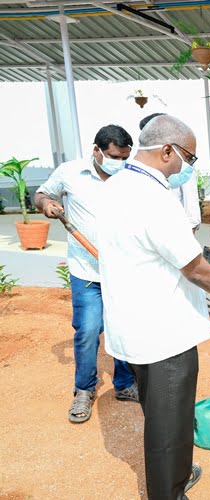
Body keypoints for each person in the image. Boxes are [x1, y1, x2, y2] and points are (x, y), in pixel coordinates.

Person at [97, 115, 210, 497]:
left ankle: (177, 473)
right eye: (188, 158)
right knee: (169, 426)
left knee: (162, 415)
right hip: (164, 334)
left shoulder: (116, 186)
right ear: (166, 151)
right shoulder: (153, 198)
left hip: (134, 325)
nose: (188, 168)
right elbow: (198, 270)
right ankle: (169, 491)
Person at [35, 125, 139, 424]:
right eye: (114, 156)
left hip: (123, 270)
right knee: (88, 331)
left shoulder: (130, 175)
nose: (119, 162)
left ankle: (124, 384)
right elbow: (41, 194)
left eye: (124, 156)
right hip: (87, 272)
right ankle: (84, 389)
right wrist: (47, 204)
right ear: (96, 150)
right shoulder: (70, 173)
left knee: (123, 329)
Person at [139, 113, 210, 334]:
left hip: (179, 230)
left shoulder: (179, 166)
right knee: (180, 276)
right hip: (164, 231)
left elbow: (190, 199)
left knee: (188, 275)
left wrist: (189, 228)